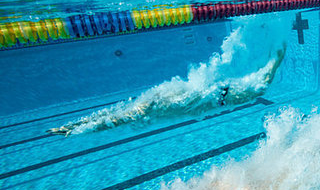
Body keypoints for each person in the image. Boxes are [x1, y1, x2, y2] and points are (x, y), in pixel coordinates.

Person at [48, 46, 286, 136]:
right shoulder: (148, 103)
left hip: (218, 96)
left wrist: (81, 129)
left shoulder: (145, 107)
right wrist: (77, 126)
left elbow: (114, 120)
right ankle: (274, 54)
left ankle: (277, 52)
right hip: (214, 93)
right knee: (258, 84)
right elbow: (113, 116)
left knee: (260, 87)